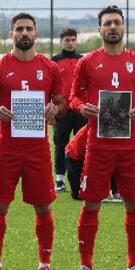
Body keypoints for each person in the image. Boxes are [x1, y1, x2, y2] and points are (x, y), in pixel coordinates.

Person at [68, 5, 135, 270]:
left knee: (134, 203)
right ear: (99, 29)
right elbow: (73, 97)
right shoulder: (88, 62)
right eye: (107, 23)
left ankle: (134, 266)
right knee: (91, 202)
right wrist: (84, 108)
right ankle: (85, 266)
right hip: (98, 145)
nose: (113, 27)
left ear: (124, 27)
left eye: (117, 22)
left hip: (130, 145)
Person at [0, 13, 66, 270]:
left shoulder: (50, 68)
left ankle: (45, 266)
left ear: (36, 34)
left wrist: (55, 109)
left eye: (29, 29)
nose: (24, 33)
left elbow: (62, 105)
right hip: (7, 149)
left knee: (43, 207)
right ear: (11, 34)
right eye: (19, 29)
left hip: (37, 150)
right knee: (0, 205)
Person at [51, 28, 86, 195]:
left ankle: (84, 177)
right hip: (62, 111)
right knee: (61, 145)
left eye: (73, 40)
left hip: (80, 110)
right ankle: (59, 180)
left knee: (84, 146)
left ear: (76, 41)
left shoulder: (84, 61)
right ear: (61, 42)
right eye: (67, 40)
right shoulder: (53, 62)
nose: (70, 43)